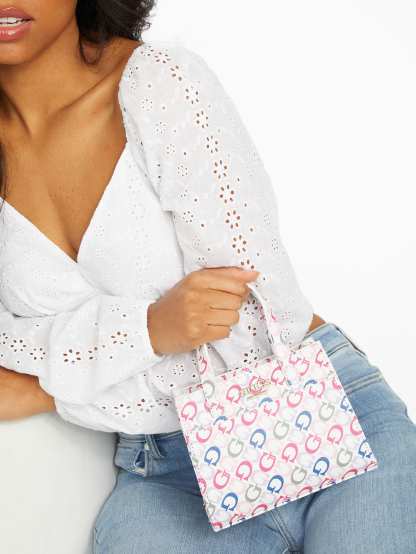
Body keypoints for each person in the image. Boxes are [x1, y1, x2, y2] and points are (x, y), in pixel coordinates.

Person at [0, 2, 415, 553]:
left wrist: (57, 389)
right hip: (167, 479)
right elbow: (9, 348)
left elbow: (251, 316)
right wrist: (152, 329)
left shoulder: (159, 84)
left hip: (323, 417)